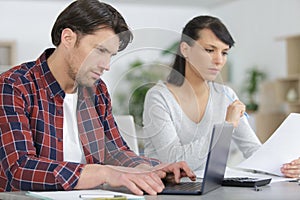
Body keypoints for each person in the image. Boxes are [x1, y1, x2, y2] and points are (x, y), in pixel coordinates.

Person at [0, 0, 196, 194]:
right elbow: (19, 170)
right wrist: (104, 173)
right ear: (68, 38)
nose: (106, 65)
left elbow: (115, 152)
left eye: (111, 55)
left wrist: (151, 168)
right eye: (100, 50)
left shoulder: (97, 90)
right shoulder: (14, 86)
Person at [142, 15, 300, 178]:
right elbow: (174, 160)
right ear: (185, 49)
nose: (219, 60)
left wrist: (287, 167)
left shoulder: (226, 95)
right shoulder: (158, 97)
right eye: (210, 50)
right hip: (168, 188)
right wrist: (226, 127)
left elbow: (253, 151)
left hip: (212, 188)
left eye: (224, 52)